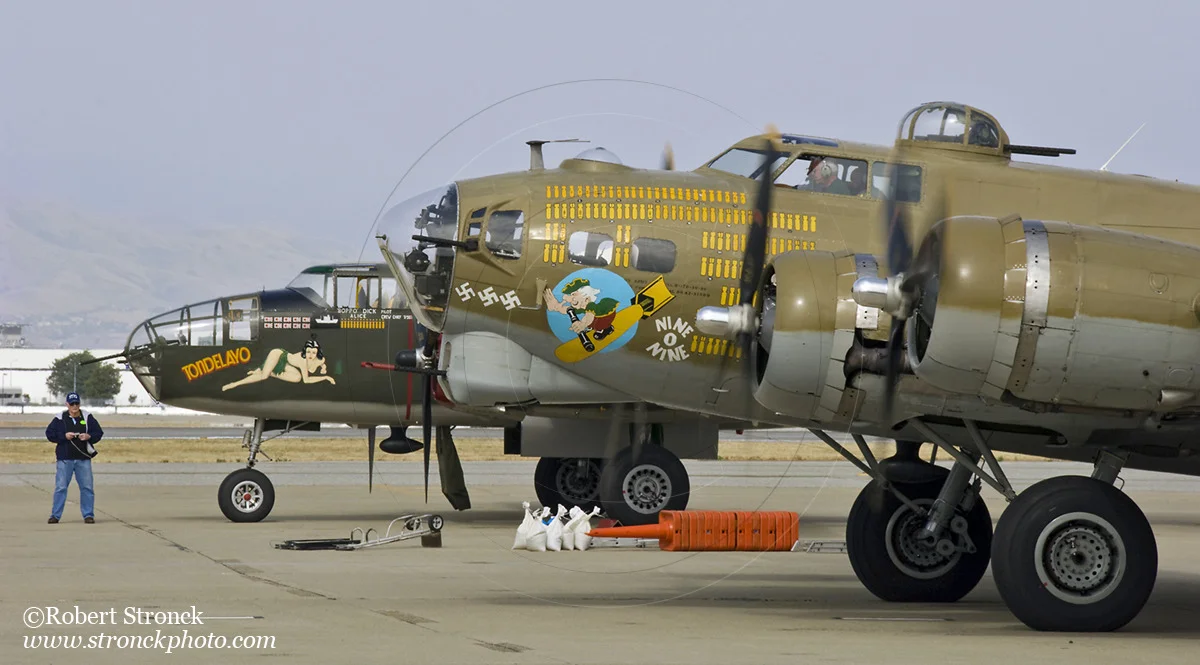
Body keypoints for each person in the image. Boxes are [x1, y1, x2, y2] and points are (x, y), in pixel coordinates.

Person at [45, 392, 103, 524]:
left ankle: (88, 515)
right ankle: (55, 515)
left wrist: (89, 437)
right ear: (67, 405)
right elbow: (49, 434)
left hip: (83, 459)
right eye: (72, 404)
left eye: (77, 403)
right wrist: (64, 436)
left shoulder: (87, 417)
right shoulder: (59, 418)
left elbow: (98, 432)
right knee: (61, 487)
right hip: (65, 459)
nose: (75, 406)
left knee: (87, 487)